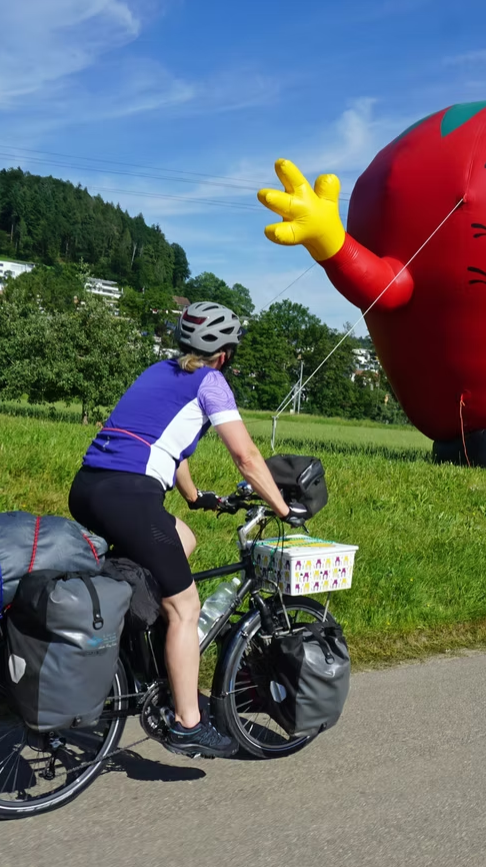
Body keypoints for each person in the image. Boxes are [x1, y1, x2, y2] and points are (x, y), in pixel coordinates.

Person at [68, 301, 307, 758]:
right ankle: (187, 723)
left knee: (183, 538)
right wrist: (281, 507)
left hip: (89, 487)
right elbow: (246, 456)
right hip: (128, 496)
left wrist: (195, 498)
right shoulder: (211, 383)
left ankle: (140, 660)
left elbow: (171, 448)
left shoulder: (158, 372)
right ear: (224, 354)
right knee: (186, 605)